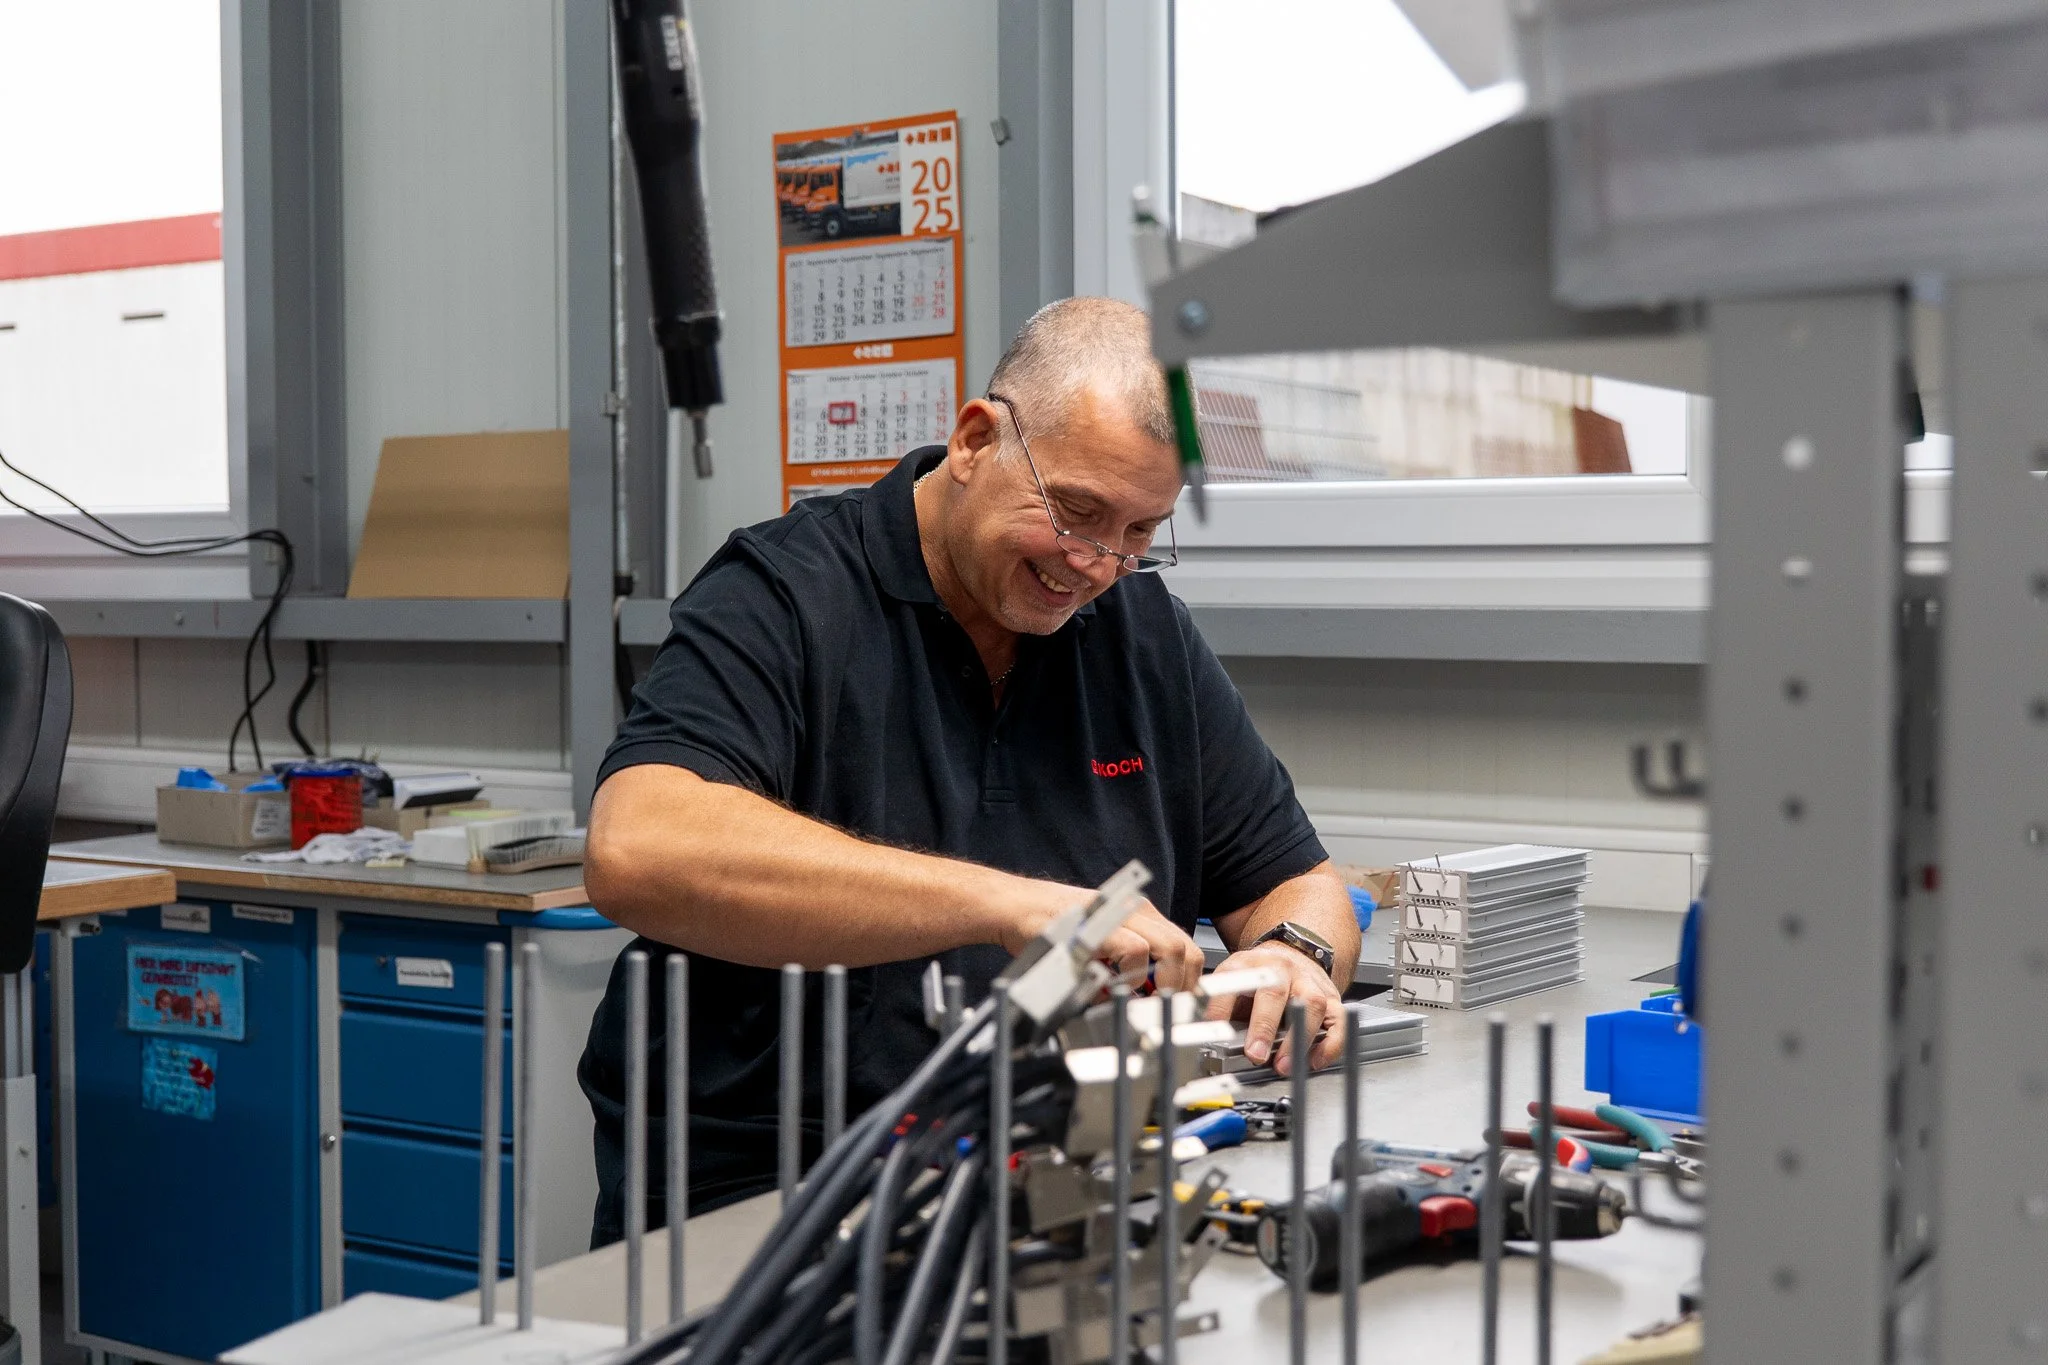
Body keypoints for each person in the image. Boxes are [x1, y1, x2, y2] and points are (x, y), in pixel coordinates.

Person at [577, 296, 1360, 1242]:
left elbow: (1296, 878)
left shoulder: (1143, 636)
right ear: (975, 438)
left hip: (1052, 1179)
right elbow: (639, 847)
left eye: (1141, 532)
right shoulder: (784, 596)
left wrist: (1297, 955)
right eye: (1075, 511)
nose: (1098, 564)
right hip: (771, 1196)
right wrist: (1015, 905)